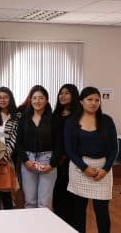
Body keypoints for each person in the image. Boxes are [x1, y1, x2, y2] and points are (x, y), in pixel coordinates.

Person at [64, 87, 118, 233]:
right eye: (89, 99)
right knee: (79, 212)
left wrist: (106, 169)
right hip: (79, 169)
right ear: (81, 101)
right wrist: (84, 168)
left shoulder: (107, 120)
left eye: (97, 100)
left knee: (102, 212)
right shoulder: (72, 122)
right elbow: (69, 149)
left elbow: (114, 149)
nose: (94, 103)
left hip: (103, 170)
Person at [16, 85, 57, 209]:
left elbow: (59, 144)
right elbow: (19, 143)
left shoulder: (54, 119)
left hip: (48, 160)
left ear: (46, 100)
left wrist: (52, 164)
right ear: (30, 100)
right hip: (28, 160)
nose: (37, 101)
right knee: (30, 201)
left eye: (41, 98)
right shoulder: (24, 118)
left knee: (45, 203)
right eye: (34, 98)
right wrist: (25, 160)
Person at [51, 84, 79, 226]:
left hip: (72, 162)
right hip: (56, 161)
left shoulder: (78, 115)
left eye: (67, 93)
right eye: (60, 93)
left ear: (74, 95)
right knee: (58, 197)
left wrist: (66, 156)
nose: (63, 96)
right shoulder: (55, 114)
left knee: (71, 200)